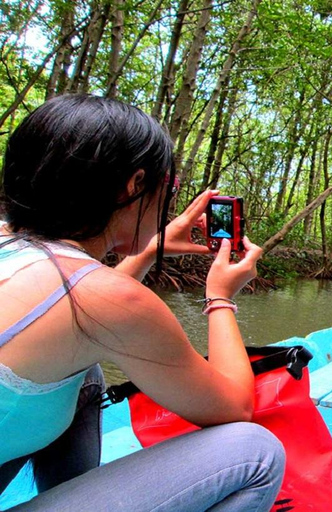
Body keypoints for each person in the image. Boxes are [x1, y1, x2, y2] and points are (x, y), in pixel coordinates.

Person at [0, 95, 285, 511]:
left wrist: (148, 250)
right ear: (134, 185)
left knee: (87, 372)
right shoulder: (110, 301)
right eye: (167, 188)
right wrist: (220, 298)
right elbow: (234, 407)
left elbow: (75, 308)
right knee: (254, 452)